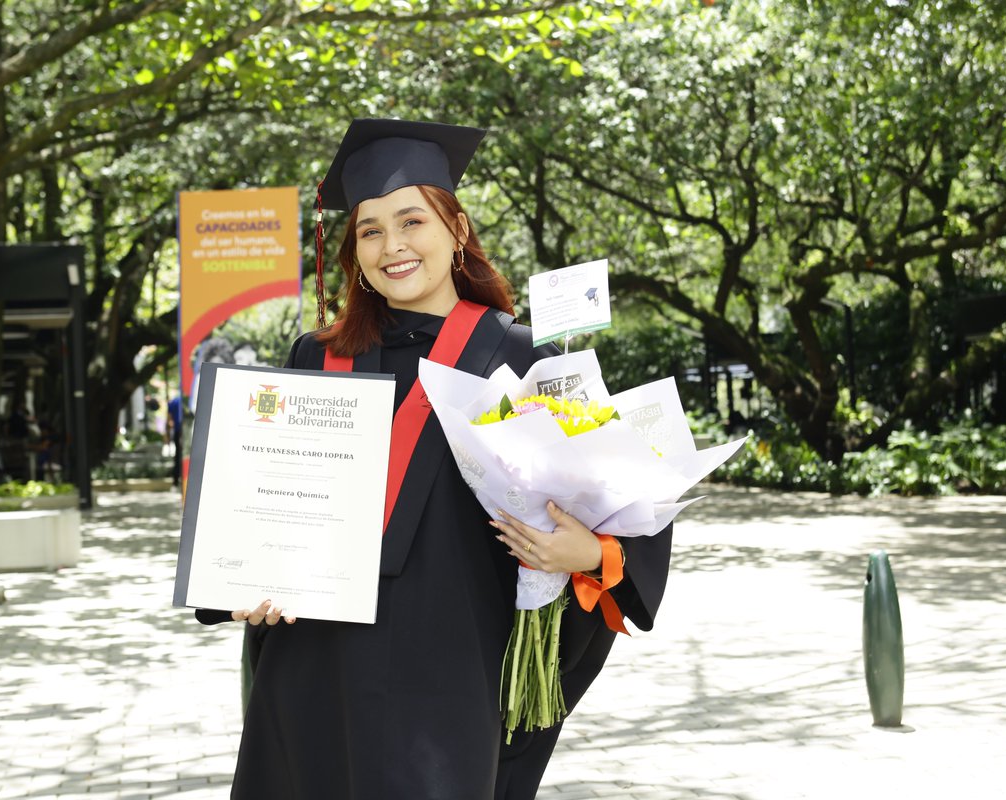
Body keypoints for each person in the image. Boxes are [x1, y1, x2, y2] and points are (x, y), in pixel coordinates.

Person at [194, 119, 674, 800]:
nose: (392, 246)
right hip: (313, 679)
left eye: (411, 221)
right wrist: (249, 584)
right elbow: (263, 506)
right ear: (352, 249)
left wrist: (591, 556)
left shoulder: (522, 359)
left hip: (445, 683)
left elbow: (625, 500)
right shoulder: (316, 357)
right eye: (369, 230)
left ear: (457, 227)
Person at [167, 395, 183, 487]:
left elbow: (169, 420)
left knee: (177, 456)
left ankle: (176, 481)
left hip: (177, 431)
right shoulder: (188, 400)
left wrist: (168, 435)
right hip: (186, 431)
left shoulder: (173, 401)